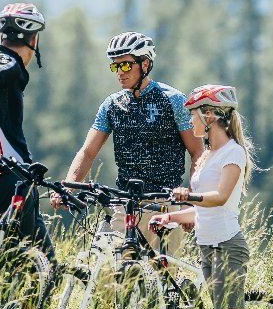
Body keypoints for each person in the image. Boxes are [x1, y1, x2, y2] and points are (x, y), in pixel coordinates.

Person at [51, 31, 203, 252]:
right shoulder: (112, 105)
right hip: (125, 203)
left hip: (165, 203)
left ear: (145, 64)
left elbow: (197, 152)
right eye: (115, 66)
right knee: (107, 274)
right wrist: (68, 187)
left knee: (160, 279)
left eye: (125, 65)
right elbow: (87, 152)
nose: (119, 72)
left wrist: (191, 199)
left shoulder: (173, 100)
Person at [148, 84, 255, 309]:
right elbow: (202, 210)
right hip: (206, 245)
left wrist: (188, 195)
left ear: (208, 115)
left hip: (227, 246)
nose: (189, 120)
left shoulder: (233, 152)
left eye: (192, 114)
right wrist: (170, 218)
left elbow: (220, 196)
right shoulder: (208, 155)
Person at [0, 2, 54, 259]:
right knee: (41, 265)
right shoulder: (8, 63)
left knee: (0, 261)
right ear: (33, 38)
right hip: (12, 177)